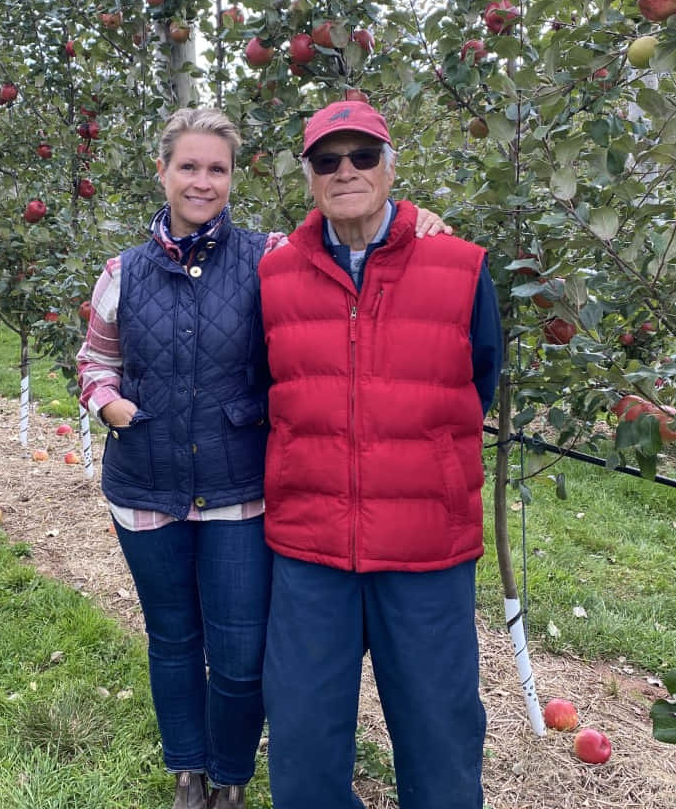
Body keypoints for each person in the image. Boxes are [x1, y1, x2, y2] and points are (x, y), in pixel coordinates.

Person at [77, 107, 449, 809]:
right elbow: (96, 359)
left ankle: (233, 772)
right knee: (174, 640)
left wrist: (415, 220)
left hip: (240, 486)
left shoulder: (274, 255)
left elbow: (352, 235)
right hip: (145, 482)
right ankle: (189, 770)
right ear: (162, 171)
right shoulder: (121, 272)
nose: (201, 181)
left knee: (243, 655)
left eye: (216, 168)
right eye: (188, 166)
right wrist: (111, 405)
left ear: (232, 178)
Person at [257, 99, 503, 809]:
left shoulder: (458, 267)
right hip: (311, 551)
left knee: (441, 743)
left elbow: (477, 381)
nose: (346, 172)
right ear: (307, 176)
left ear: (391, 167)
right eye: (327, 160)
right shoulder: (275, 276)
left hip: (426, 552)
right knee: (303, 747)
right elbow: (268, 386)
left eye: (363, 156)